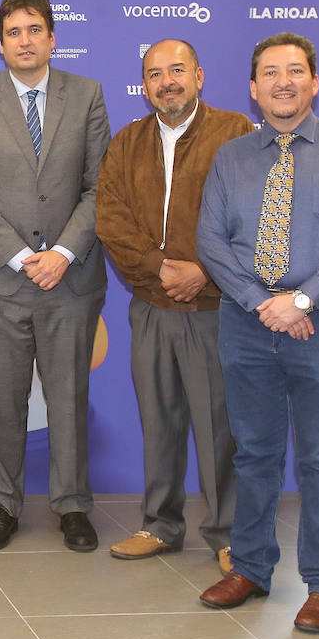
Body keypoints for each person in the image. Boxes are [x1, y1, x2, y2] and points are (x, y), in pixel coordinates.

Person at [196, 33, 319, 633]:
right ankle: (250, 567)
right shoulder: (232, 157)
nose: (284, 82)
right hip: (249, 325)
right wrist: (263, 304)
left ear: (314, 82)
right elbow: (212, 241)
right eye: (271, 73)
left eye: (295, 71)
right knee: (254, 453)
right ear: (253, 89)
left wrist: (303, 298)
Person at [0, 0, 111, 553]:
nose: (25, 40)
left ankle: (71, 506)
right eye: (14, 31)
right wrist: (22, 257)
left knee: (68, 396)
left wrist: (62, 253)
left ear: (51, 38)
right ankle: (4, 505)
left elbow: (99, 187)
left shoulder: (87, 96)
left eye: (34, 29)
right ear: (0, 44)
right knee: (2, 396)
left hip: (70, 276)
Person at [96, 39, 252, 572]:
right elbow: (111, 220)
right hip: (151, 304)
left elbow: (252, 219)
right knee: (158, 420)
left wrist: (204, 272)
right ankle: (160, 524)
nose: (167, 81)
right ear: (144, 85)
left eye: (177, 70)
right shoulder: (127, 143)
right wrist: (161, 266)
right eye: (155, 73)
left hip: (214, 309)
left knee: (218, 428)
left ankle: (229, 534)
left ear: (200, 76)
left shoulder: (235, 134)